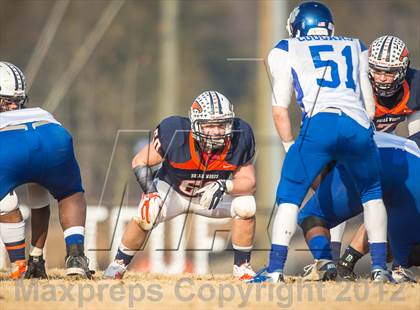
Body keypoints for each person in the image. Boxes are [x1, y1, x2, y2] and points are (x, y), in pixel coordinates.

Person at [250, 1, 390, 283]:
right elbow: (369, 104)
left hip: (320, 122)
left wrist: (291, 148)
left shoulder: (286, 48)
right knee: (372, 195)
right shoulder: (357, 45)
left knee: (289, 194)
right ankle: (379, 268)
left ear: (298, 26)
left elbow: (279, 109)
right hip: (357, 123)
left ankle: (275, 269)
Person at [104, 91, 257, 281]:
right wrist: (151, 194)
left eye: (221, 124)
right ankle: (118, 264)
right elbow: (139, 161)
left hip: (211, 197)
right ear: (194, 125)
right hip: (173, 192)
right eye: (209, 125)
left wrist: (225, 185)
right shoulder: (175, 133)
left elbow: (249, 183)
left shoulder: (240, 137)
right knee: (148, 211)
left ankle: (242, 267)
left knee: (246, 205)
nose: (216, 131)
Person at [332, 35, 420, 278]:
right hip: (354, 142)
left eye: (389, 72)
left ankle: (354, 262)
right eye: (377, 71)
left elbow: (417, 140)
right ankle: (330, 258)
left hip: (387, 146)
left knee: (395, 197)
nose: (381, 78)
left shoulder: (415, 85)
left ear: (403, 70)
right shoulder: (355, 85)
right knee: (336, 191)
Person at [0, 61, 92, 279]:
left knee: (5, 203)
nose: (13, 106)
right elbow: (39, 199)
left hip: (9, 143)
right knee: (69, 194)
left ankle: (19, 265)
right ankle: (74, 255)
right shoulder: (37, 111)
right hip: (53, 135)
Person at [298, 132, 420, 283]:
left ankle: (324, 263)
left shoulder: (330, 135)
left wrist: (325, 196)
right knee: (407, 253)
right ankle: (388, 268)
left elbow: (316, 171)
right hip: (412, 165)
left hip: (365, 159)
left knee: (312, 215)